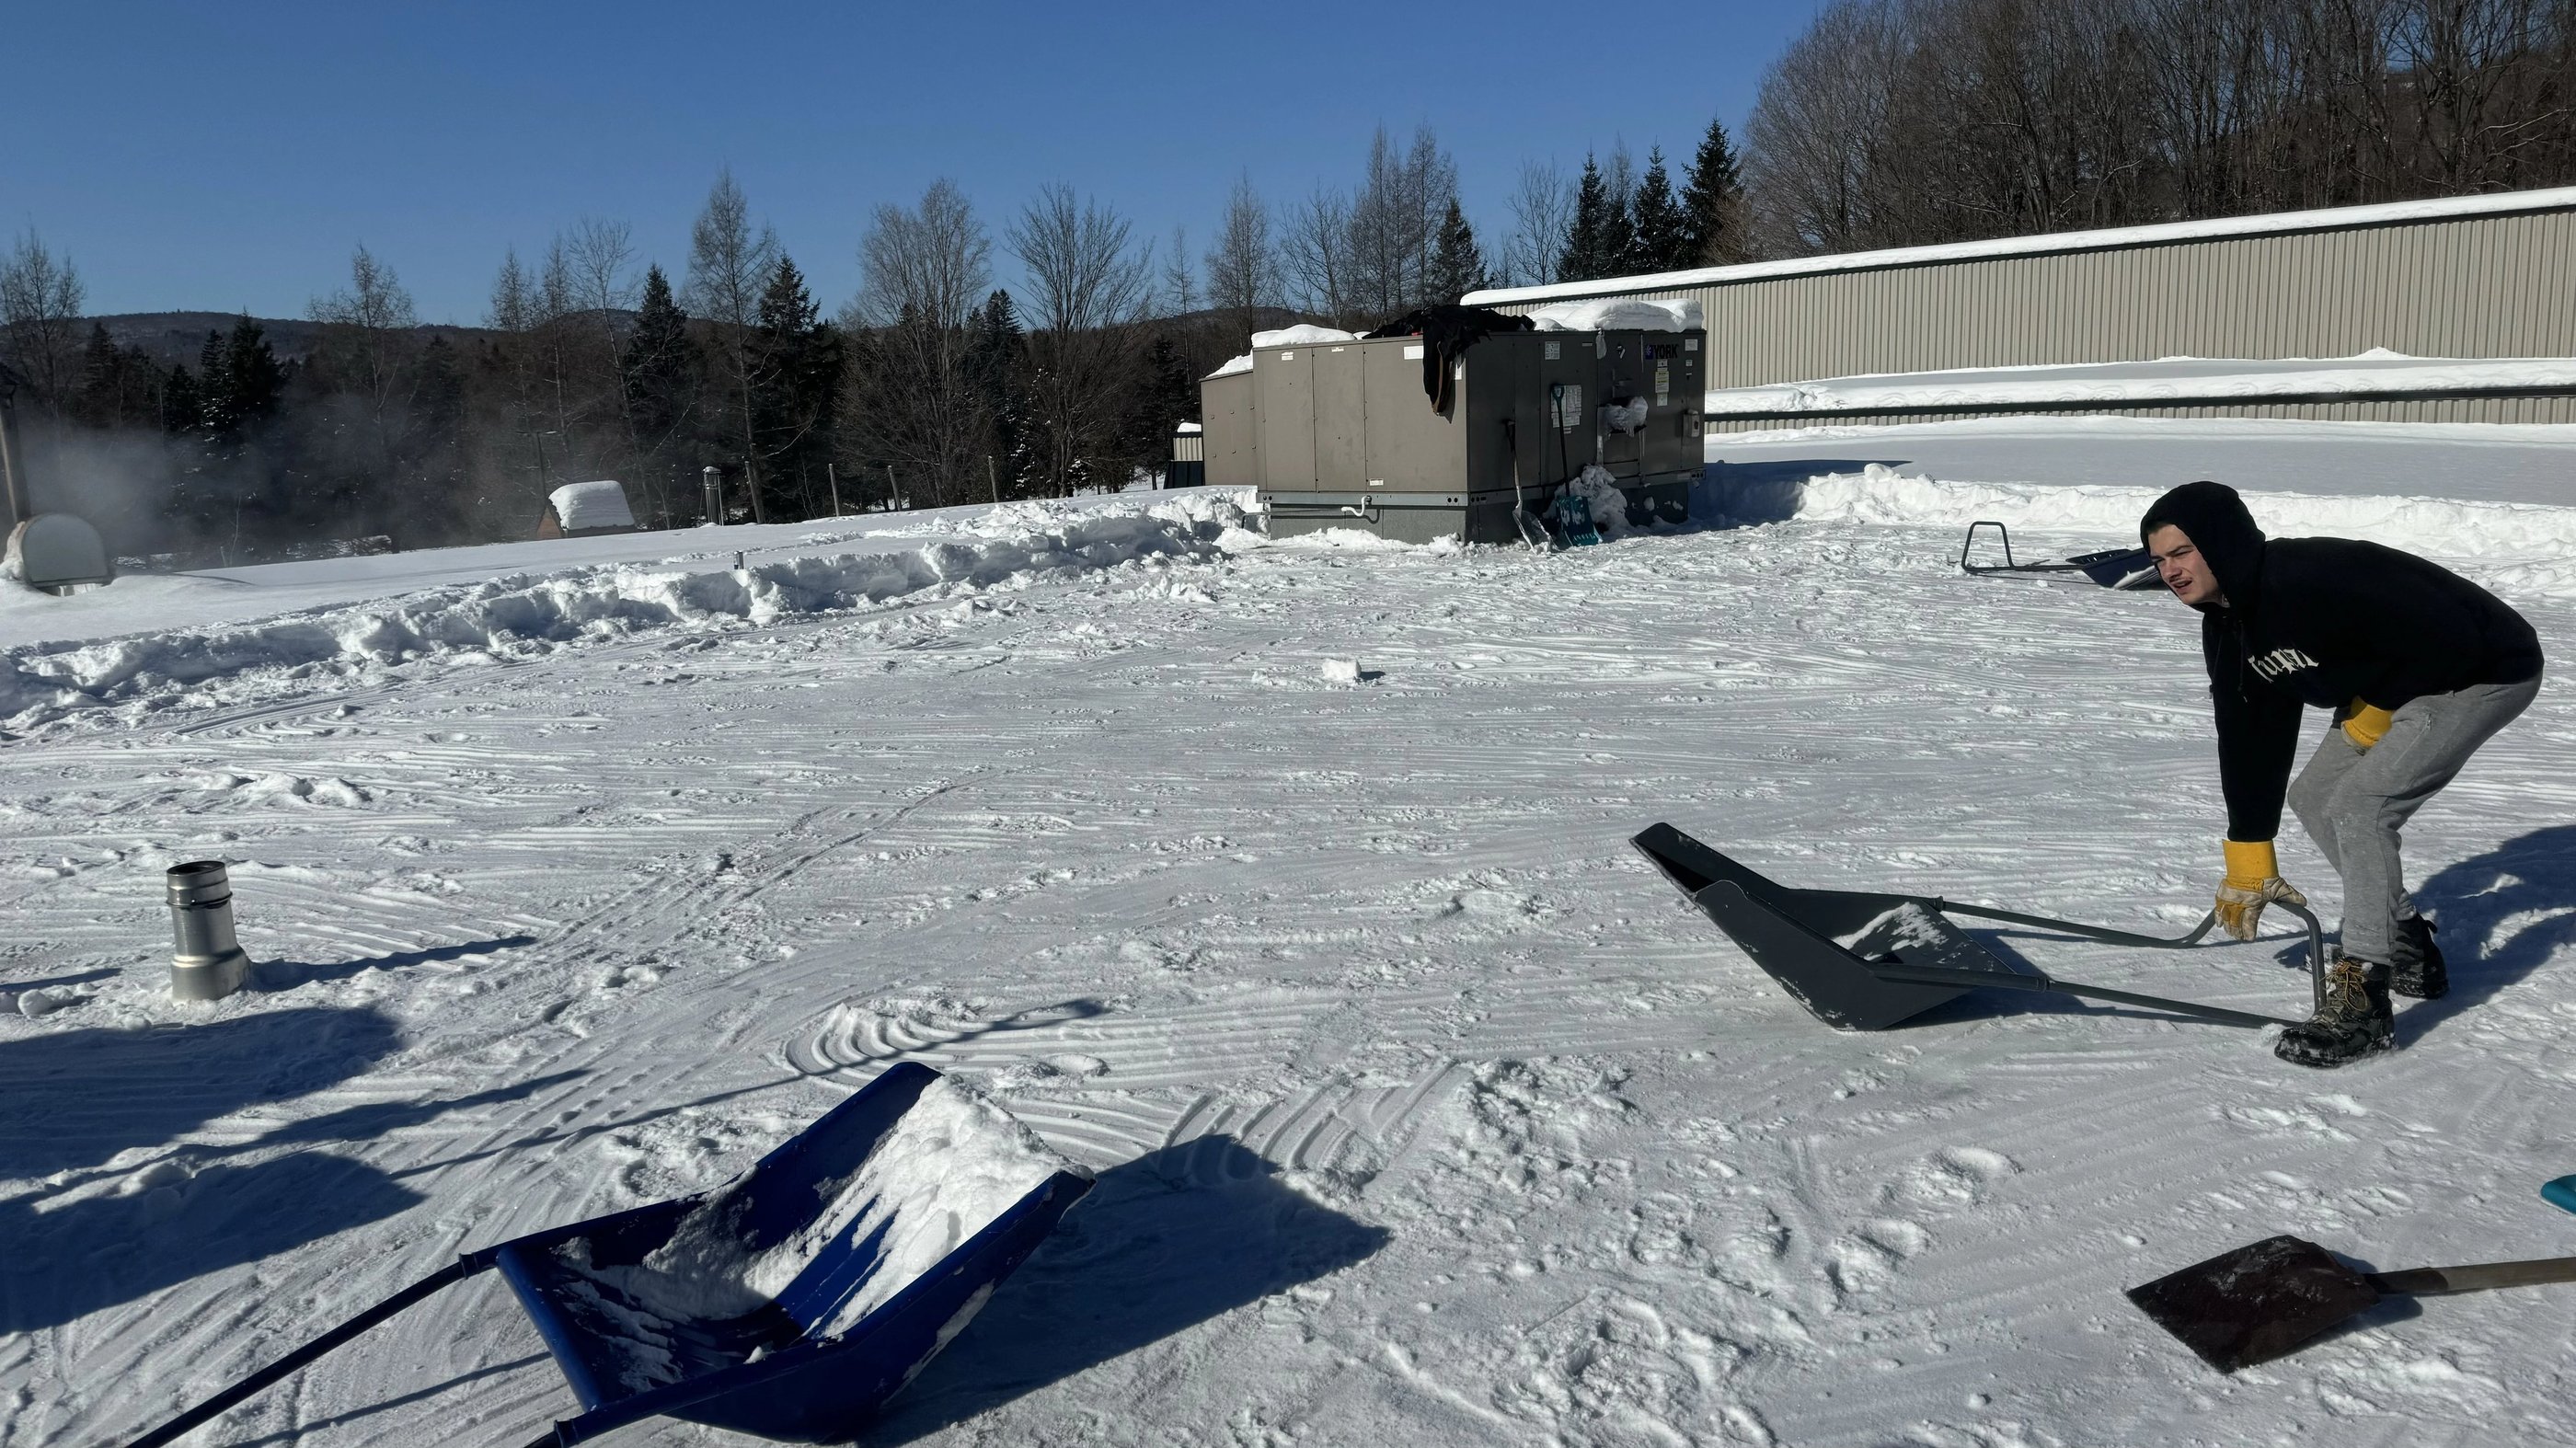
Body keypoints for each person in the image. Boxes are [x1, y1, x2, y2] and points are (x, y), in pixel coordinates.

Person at [2140, 480, 2543, 1067]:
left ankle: (2365, 1001)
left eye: (2181, 552)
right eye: (2158, 560)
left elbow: (2447, 628)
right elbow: (2249, 732)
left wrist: (2376, 713)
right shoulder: (2229, 624)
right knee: (2314, 795)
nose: (2170, 571)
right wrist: (2249, 852)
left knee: (2362, 805)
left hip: (2481, 670)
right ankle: (2407, 942)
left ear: (2220, 543)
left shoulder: (2309, 577)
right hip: (2394, 686)